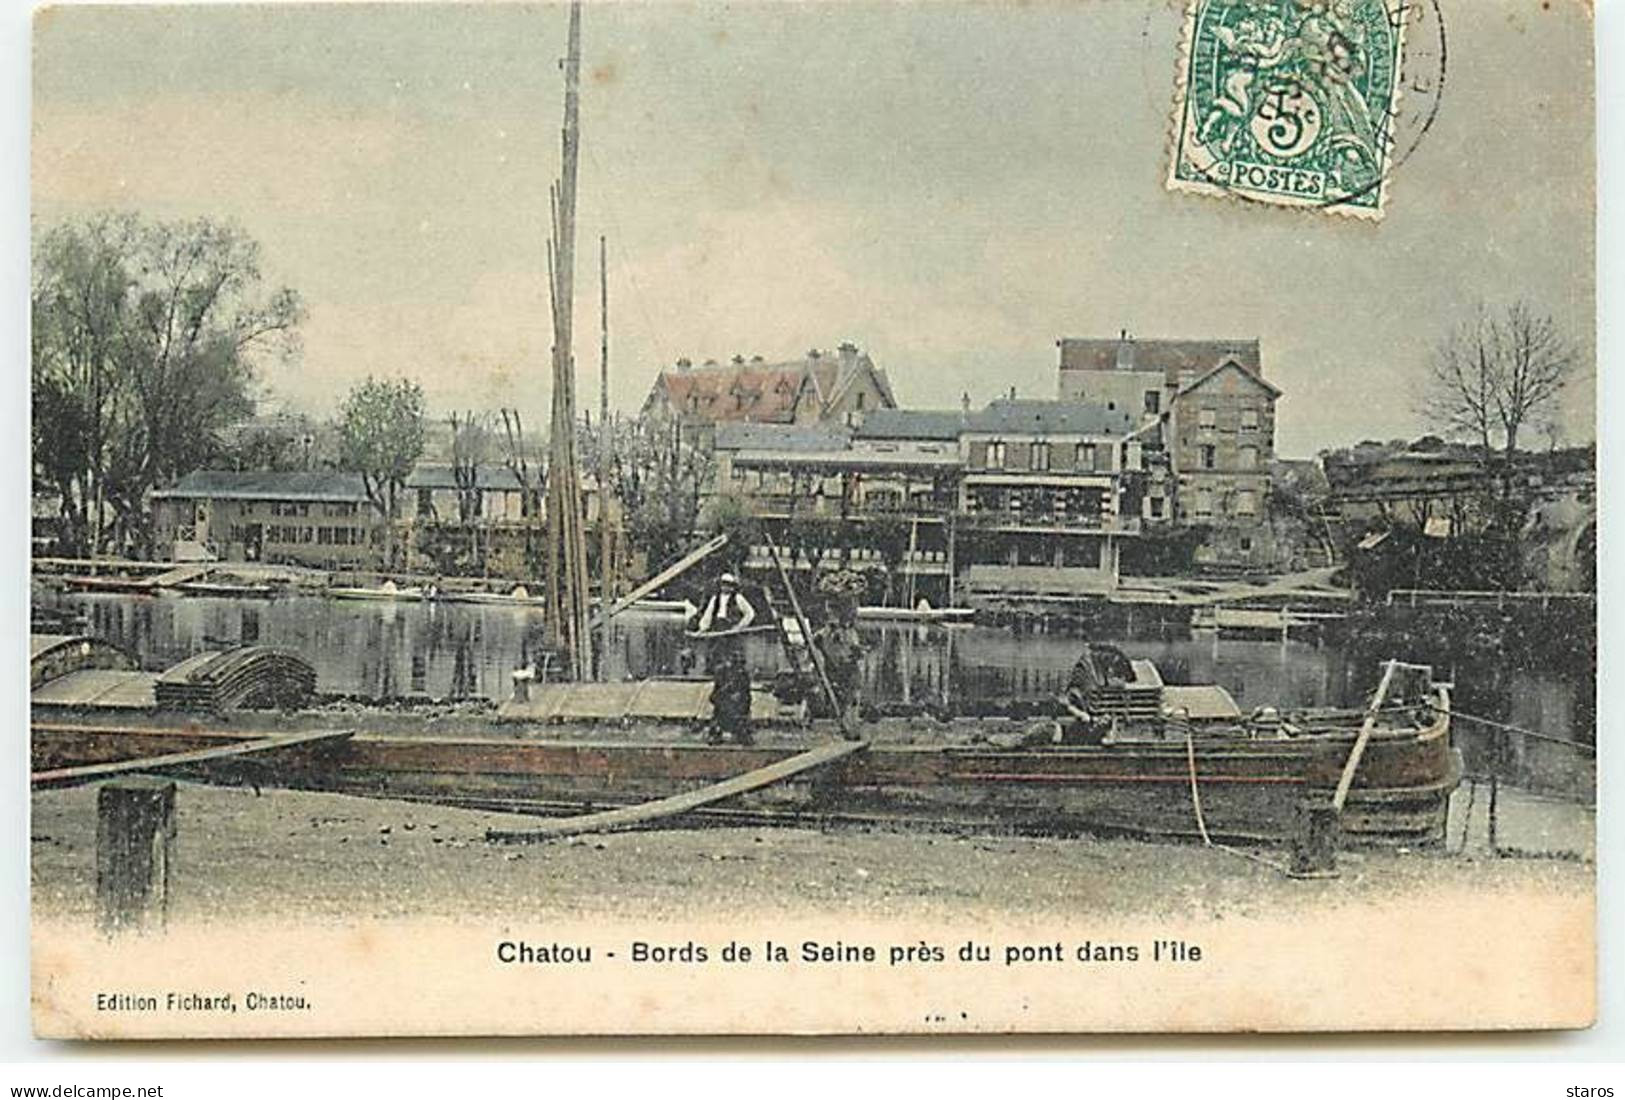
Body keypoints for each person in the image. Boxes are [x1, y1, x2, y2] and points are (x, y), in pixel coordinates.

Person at [692, 573, 757, 744]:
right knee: (720, 674)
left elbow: (750, 614)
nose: (726, 587)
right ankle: (719, 727)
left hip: (731, 636)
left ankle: (738, 727)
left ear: (733, 586)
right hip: (719, 636)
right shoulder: (715, 599)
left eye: (728, 585)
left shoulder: (738, 599)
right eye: (723, 584)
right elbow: (707, 617)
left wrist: (738, 627)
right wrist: (702, 630)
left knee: (735, 675)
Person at [811, 590, 863, 736]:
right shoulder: (828, 631)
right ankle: (842, 724)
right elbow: (821, 638)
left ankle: (850, 727)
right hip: (835, 667)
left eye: (832, 609)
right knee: (839, 696)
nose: (829, 613)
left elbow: (852, 650)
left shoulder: (846, 632)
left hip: (845, 668)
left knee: (850, 697)